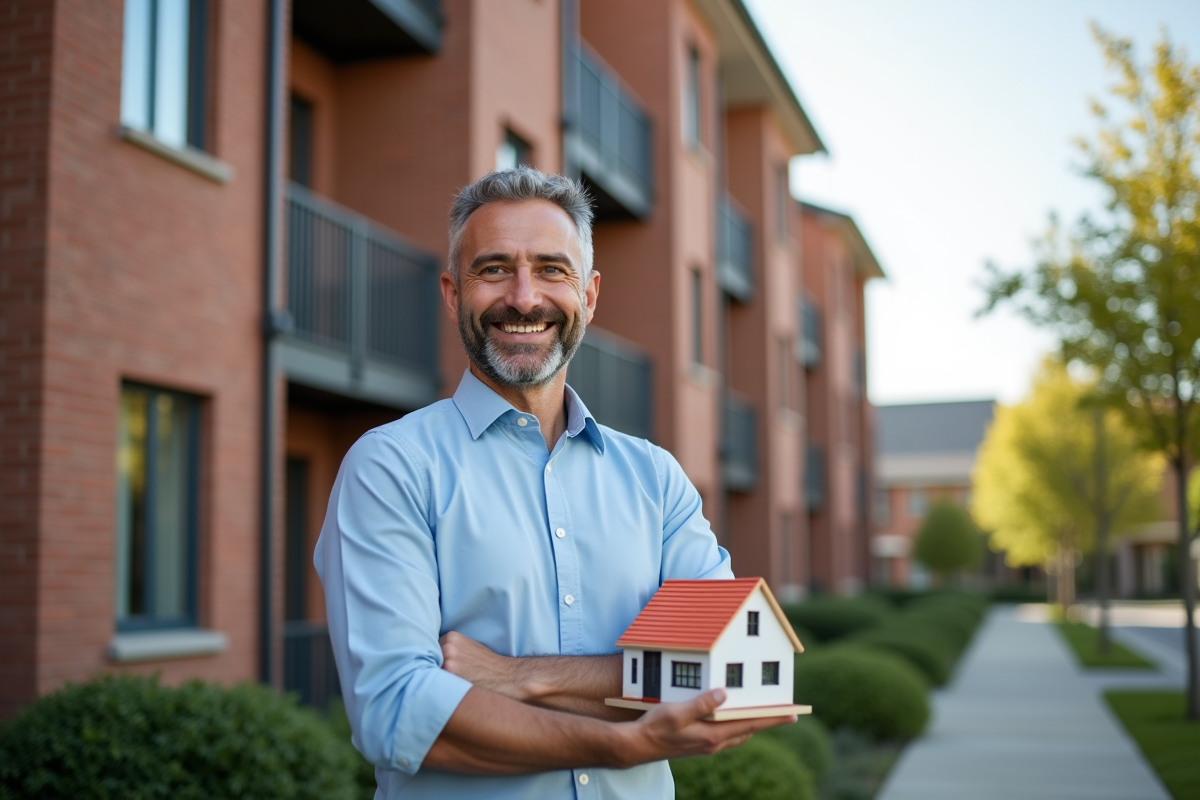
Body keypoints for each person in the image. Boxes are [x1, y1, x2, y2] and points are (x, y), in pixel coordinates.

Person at [314, 167, 794, 799]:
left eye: (551, 269)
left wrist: (518, 678)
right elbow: (399, 712)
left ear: (589, 295)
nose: (523, 296)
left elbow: (730, 677)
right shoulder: (391, 468)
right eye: (493, 270)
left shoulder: (656, 480)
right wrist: (629, 737)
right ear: (454, 294)